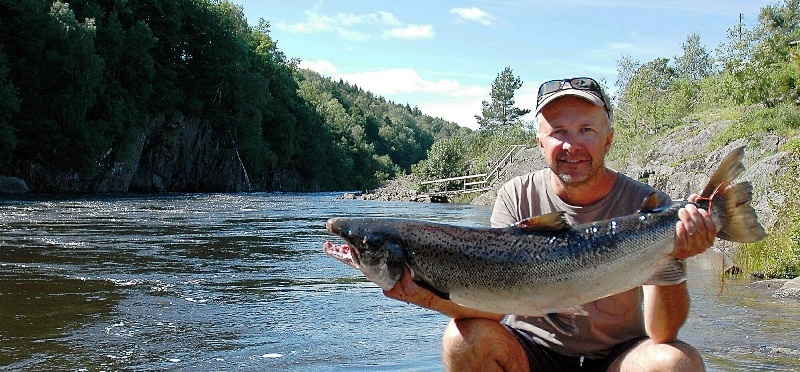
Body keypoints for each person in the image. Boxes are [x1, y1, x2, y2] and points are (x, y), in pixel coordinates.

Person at [384, 77, 717, 371]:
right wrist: (423, 296)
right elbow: (493, 310)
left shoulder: (645, 207)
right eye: (558, 132)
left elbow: (662, 334)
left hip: (617, 358)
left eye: (586, 130)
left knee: (677, 362)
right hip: (531, 352)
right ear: (541, 143)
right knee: (462, 339)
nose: (572, 146)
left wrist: (677, 255)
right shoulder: (517, 196)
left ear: (609, 139)